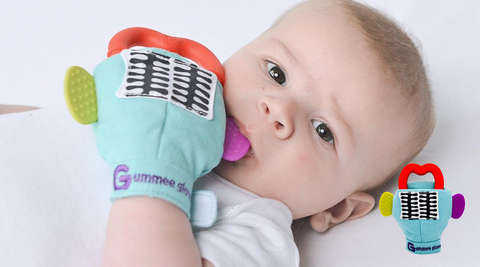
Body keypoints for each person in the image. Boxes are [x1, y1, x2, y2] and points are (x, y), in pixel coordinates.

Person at [1, 0, 435, 266]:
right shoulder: (162, 97)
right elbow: (48, 130)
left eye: (324, 130)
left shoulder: (256, 230)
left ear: (337, 208)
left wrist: (156, 167)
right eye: (276, 72)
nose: (277, 107)